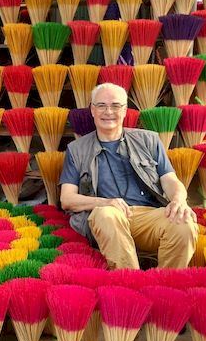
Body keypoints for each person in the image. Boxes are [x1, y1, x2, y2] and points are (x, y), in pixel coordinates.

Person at [59, 83, 198, 270]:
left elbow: (170, 180)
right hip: (108, 218)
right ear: (92, 110)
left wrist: (179, 200)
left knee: (184, 222)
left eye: (115, 106)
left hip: (147, 216)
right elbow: (67, 199)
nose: (108, 111)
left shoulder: (149, 140)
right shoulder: (77, 150)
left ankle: (165, 285)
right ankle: (131, 282)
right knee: (106, 215)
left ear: (125, 111)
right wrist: (105, 202)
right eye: (101, 105)